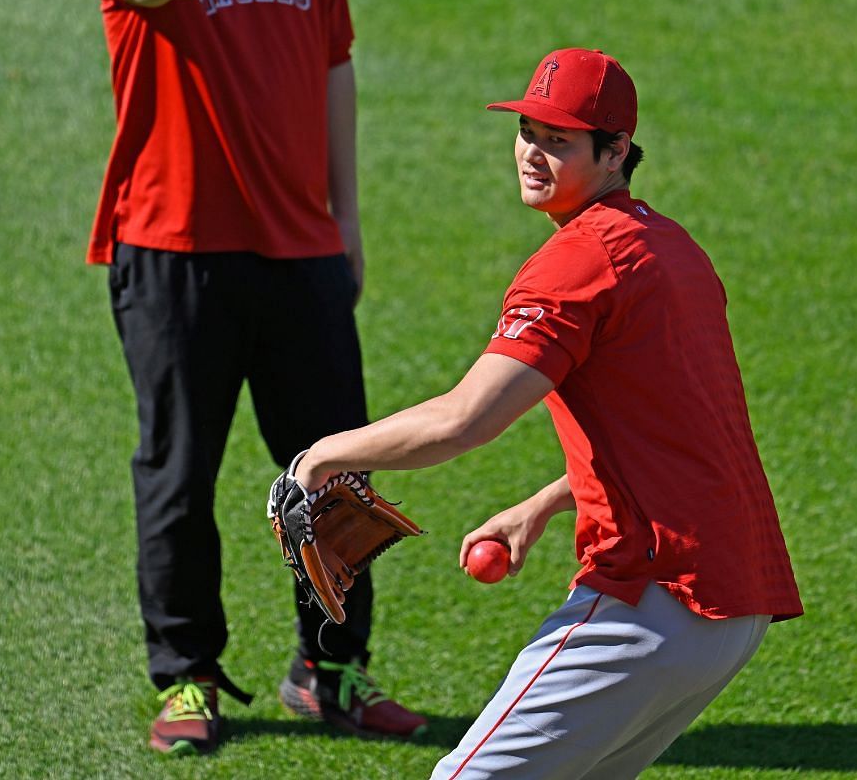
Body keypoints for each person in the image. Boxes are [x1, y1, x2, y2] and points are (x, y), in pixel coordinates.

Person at [288, 48, 803, 779]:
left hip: (653, 598)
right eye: (528, 131)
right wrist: (547, 501)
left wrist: (320, 457)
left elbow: (465, 419)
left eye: (558, 140)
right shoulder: (672, 248)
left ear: (616, 149)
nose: (532, 153)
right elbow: (679, 429)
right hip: (732, 611)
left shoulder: (579, 261)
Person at [84, 0, 423, 755]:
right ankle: (187, 676)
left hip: (302, 250)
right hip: (173, 248)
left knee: (333, 475)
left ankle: (331, 670)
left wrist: (348, 220)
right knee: (179, 476)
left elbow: (334, 65)